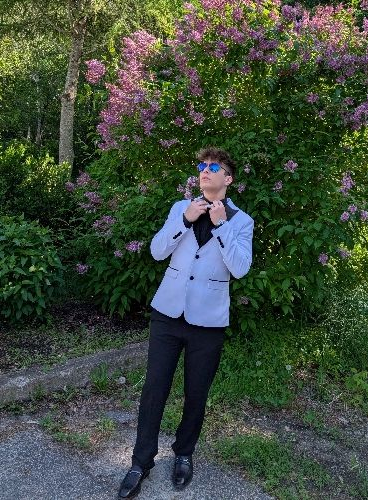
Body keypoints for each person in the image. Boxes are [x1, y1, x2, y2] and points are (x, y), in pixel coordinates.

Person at [118, 147, 254, 499]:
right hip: (167, 313)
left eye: (214, 167)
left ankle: (184, 454)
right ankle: (140, 462)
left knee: (196, 393)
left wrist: (222, 226)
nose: (205, 170)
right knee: (154, 389)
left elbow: (240, 268)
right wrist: (184, 220)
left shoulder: (242, 221)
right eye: (202, 166)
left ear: (228, 178)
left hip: (208, 322)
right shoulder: (181, 207)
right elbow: (157, 251)